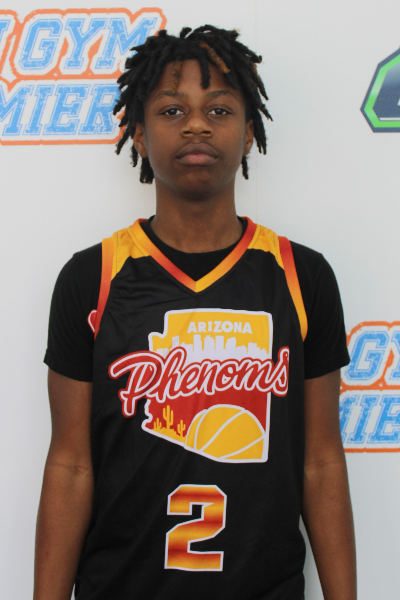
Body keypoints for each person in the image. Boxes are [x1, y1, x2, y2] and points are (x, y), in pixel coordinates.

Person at [34, 25, 356, 600]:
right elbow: (71, 465)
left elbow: (321, 462)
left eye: (220, 109)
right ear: (138, 132)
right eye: (172, 109)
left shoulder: (301, 275)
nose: (197, 125)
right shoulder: (92, 278)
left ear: (249, 133)